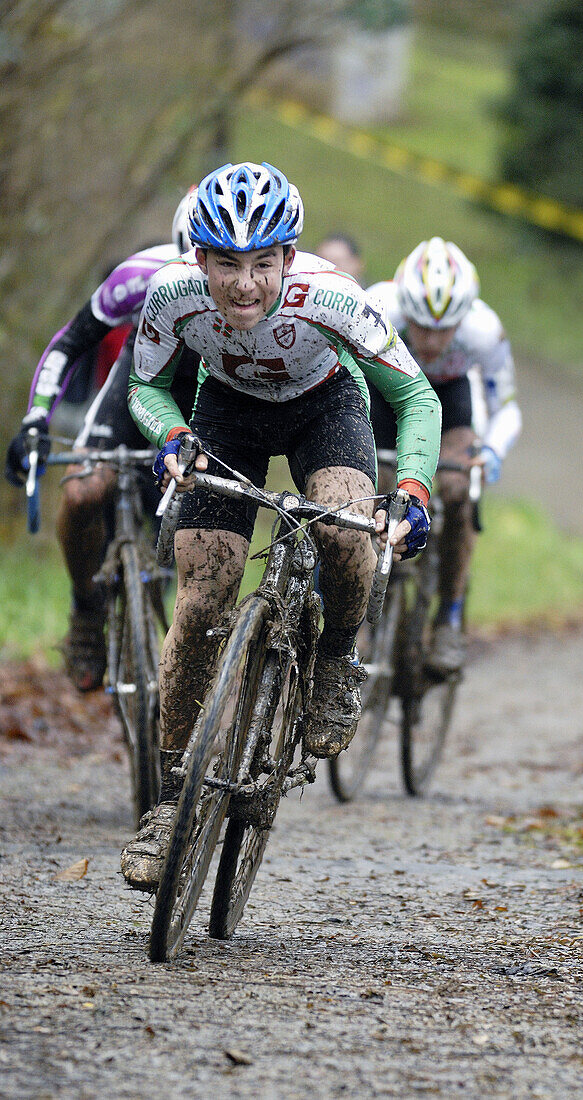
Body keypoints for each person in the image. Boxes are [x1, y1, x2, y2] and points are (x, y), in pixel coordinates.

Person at [120, 161, 441, 892]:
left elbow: (415, 395)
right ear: (198, 258)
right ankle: (170, 805)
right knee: (201, 596)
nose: (244, 284)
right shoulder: (170, 296)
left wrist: (415, 488)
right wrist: (170, 437)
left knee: (345, 529)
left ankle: (334, 661)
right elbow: (147, 384)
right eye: (226, 263)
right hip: (226, 415)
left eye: (262, 263)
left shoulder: (332, 298)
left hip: (324, 410)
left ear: (288, 259)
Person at [5, 191, 200, 692]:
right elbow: (71, 342)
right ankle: (88, 615)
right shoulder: (136, 278)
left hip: (210, 394)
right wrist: (36, 419)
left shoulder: (259, 290)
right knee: (82, 490)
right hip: (138, 382)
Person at [367, 237, 522, 675]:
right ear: (405, 310)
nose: (432, 341)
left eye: (444, 329)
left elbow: (507, 406)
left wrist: (491, 451)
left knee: (461, 490)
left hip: (452, 400)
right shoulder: (377, 309)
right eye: (421, 325)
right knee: (366, 485)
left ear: (464, 317)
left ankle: (450, 614)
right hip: (389, 392)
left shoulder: (484, 332)